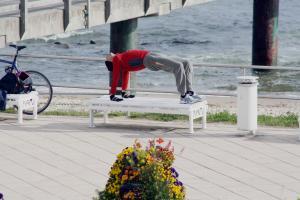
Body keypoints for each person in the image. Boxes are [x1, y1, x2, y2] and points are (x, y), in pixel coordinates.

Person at [105, 49, 203, 104]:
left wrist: (124, 92)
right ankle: (183, 96)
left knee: (186, 62)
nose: (108, 54)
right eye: (107, 57)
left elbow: (126, 75)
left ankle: (190, 92)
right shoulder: (117, 59)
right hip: (150, 60)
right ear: (111, 61)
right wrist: (112, 94)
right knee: (178, 66)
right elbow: (116, 77)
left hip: (152, 54)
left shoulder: (122, 59)